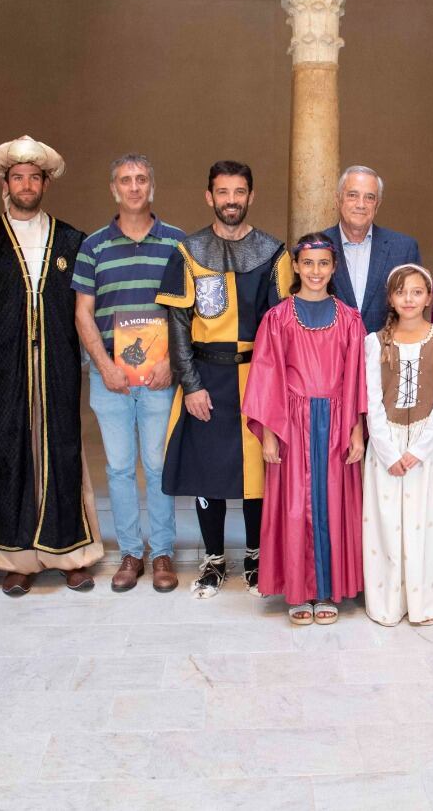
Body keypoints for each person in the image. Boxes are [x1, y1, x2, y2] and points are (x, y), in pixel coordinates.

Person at [0, 135, 101, 597]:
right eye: (18, 177)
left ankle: (70, 553)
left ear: (45, 183)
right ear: (5, 184)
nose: (26, 185)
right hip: (5, 365)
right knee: (9, 450)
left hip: (58, 363)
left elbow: (84, 310)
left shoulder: (72, 240)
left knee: (62, 448)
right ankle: (14, 558)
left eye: (34, 178)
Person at [157, 161, 293, 598]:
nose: (231, 200)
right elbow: (178, 324)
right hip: (206, 376)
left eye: (239, 192)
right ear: (209, 196)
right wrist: (191, 384)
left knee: (256, 472)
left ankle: (255, 558)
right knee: (208, 472)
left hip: (256, 374)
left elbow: (281, 325)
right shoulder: (188, 251)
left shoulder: (273, 252)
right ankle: (213, 560)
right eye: (222, 191)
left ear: (251, 196)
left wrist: (274, 388)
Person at [74, 154, 186, 594]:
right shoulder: (93, 246)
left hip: (159, 376)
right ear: (114, 189)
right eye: (125, 180)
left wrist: (171, 361)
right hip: (111, 379)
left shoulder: (177, 242)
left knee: (158, 466)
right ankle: (130, 553)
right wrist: (104, 366)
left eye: (141, 179)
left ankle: (162, 553)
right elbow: (83, 313)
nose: (134, 187)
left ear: (151, 186)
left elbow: (187, 310)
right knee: (119, 468)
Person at [244, 235, 368, 625]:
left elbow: (357, 377)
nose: (316, 271)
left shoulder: (350, 319)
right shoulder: (278, 318)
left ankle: (327, 589)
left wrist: (357, 430)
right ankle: (299, 590)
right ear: (296, 266)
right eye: (308, 263)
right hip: (292, 424)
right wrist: (269, 434)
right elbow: (266, 376)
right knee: (297, 504)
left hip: (335, 421)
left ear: (334, 268)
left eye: (323, 263)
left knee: (331, 502)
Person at [363, 264, 433, 627]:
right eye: (401, 292)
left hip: (426, 446)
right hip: (385, 445)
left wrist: (418, 450)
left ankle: (425, 601)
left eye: (417, 292)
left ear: (428, 298)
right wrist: (388, 451)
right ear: (390, 298)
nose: (409, 299)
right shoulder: (375, 343)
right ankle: (388, 601)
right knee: (387, 523)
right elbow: (372, 400)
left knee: (426, 523)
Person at [323, 165, 421, 334]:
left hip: (387, 348)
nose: (361, 204)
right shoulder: (318, 247)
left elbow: (414, 312)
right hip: (330, 348)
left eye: (369, 197)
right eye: (353, 195)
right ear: (338, 199)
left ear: (377, 204)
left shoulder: (404, 248)